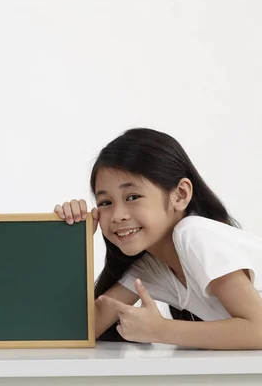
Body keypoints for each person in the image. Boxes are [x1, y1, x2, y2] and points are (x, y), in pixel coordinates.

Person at [54, 127, 262, 350]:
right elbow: (82, 329)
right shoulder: (152, 268)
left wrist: (160, 330)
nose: (117, 216)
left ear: (180, 195)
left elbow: (258, 330)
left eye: (133, 197)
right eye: (105, 203)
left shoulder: (194, 233)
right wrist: (71, 240)